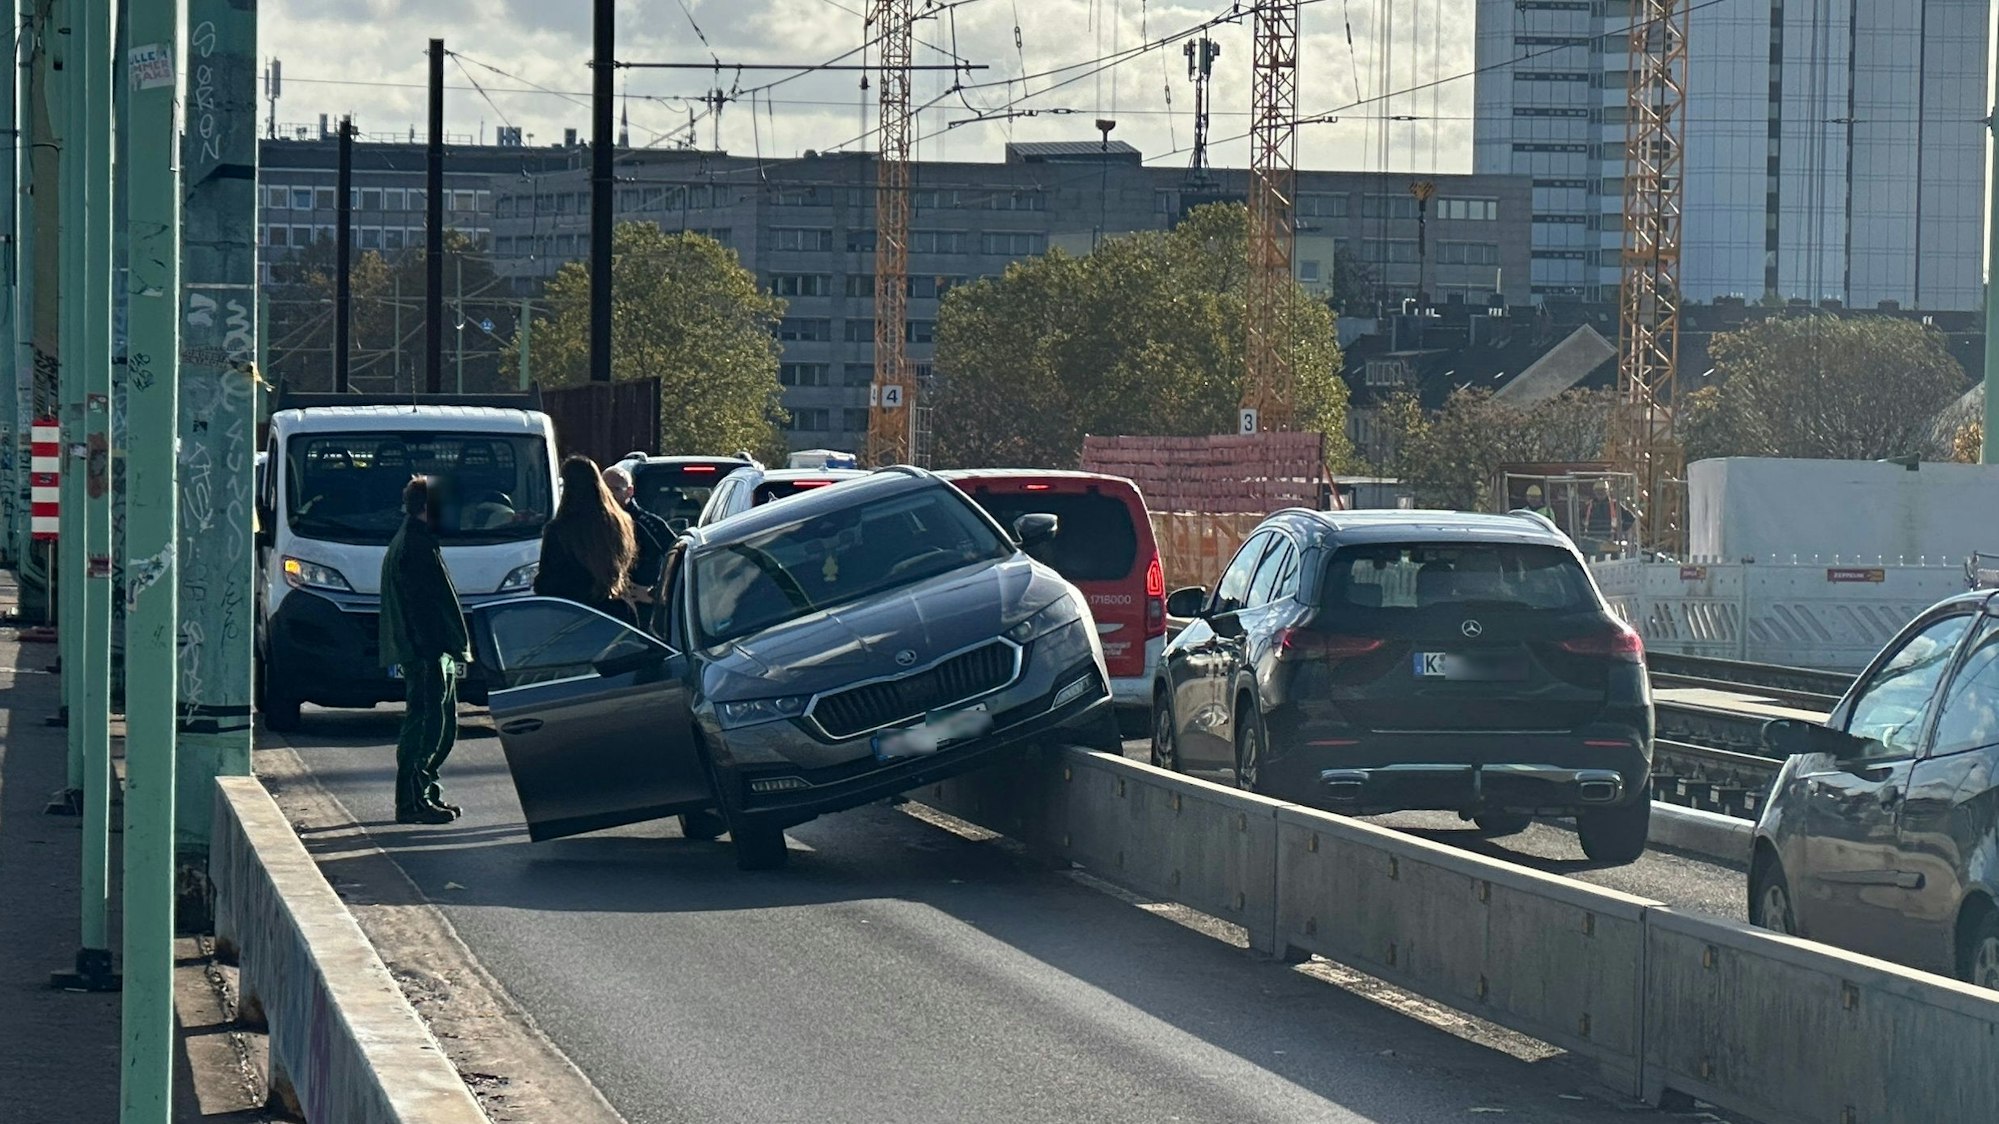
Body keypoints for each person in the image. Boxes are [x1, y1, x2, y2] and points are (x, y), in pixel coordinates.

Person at [379, 476, 471, 825]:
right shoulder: (415, 546)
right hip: (426, 652)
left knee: (440, 724)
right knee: (426, 725)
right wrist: (431, 650)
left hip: (431, 651)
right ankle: (413, 801)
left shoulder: (421, 541)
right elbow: (421, 607)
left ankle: (426, 793)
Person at [535, 455, 638, 625]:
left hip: (570, 615)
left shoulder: (559, 529)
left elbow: (547, 582)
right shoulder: (621, 521)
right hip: (616, 611)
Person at [603, 464, 675, 629]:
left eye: (614, 490)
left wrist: (654, 593)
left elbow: (679, 558)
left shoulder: (647, 525)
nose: (608, 495)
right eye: (603, 489)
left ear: (629, 491)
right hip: (606, 613)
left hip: (644, 616)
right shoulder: (593, 525)